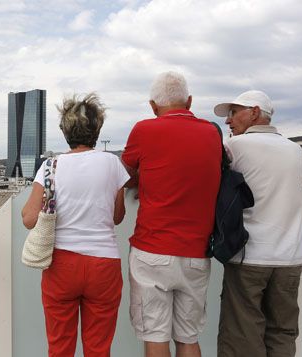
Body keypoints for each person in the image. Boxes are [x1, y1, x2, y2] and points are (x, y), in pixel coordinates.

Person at [121, 71, 222, 357]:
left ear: (153, 106)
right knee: (188, 338)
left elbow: (124, 175)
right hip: (197, 253)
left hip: (152, 250)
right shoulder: (211, 134)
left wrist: (145, 176)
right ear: (189, 101)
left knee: (156, 337)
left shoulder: (144, 130)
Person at [21, 93, 129, 357]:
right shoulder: (113, 163)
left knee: (59, 347)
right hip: (104, 265)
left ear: (66, 131)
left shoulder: (50, 166)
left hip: (62, 264)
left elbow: (28, 218)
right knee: (98, 348)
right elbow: (117, 216)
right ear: (97, 129)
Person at [213, 90, 302, 357]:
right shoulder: (295, 150)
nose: (228, 121)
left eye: (233, 113)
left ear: (254, 112)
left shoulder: (237, 147)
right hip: (290, 259)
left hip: (250, 256)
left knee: (242, 335)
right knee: (283, 332)